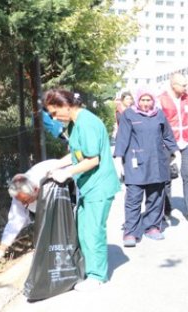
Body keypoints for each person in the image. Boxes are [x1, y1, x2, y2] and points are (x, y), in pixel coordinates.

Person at [44, 88, 121, 292]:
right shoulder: (74, 124)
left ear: (66, 106)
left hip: (99, 186)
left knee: (94, 230)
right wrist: (55, 166)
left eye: (54, 112)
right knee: (83, 229)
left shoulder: (86, 123)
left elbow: (93, 159)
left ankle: (97, 276)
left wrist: (67, 173)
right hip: (88, 186)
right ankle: (89, 270)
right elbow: (76, 155)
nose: (54, 118)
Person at [114, 88, 180, 247]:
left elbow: (168, 136)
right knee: (133, 198)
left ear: (153, 101)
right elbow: (122, 138)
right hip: (136, 162)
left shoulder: (159, 114)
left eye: (148, 100)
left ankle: (152, 227)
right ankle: (130, 232)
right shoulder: (129, 114)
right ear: (138, 100)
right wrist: (118, 159)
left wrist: (177, 152)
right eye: (142, 100)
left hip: (157, 162)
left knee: (156, 197)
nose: (145, 103)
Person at [0, 159, 65, 266]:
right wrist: (1, 251)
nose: (23, 204)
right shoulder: (20, 193)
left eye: (26, 201)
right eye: (21, 202)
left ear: (37, 189)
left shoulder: (49, 175)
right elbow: (15, 221)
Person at [158, 73, 188, 222]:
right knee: (166, 178)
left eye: (186, 84)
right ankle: (166, 210)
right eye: (183, 85)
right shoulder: (161, 100)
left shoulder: (187, 99)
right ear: (174, 85)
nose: (186, 87)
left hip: (185, 141)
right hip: (167, 144)